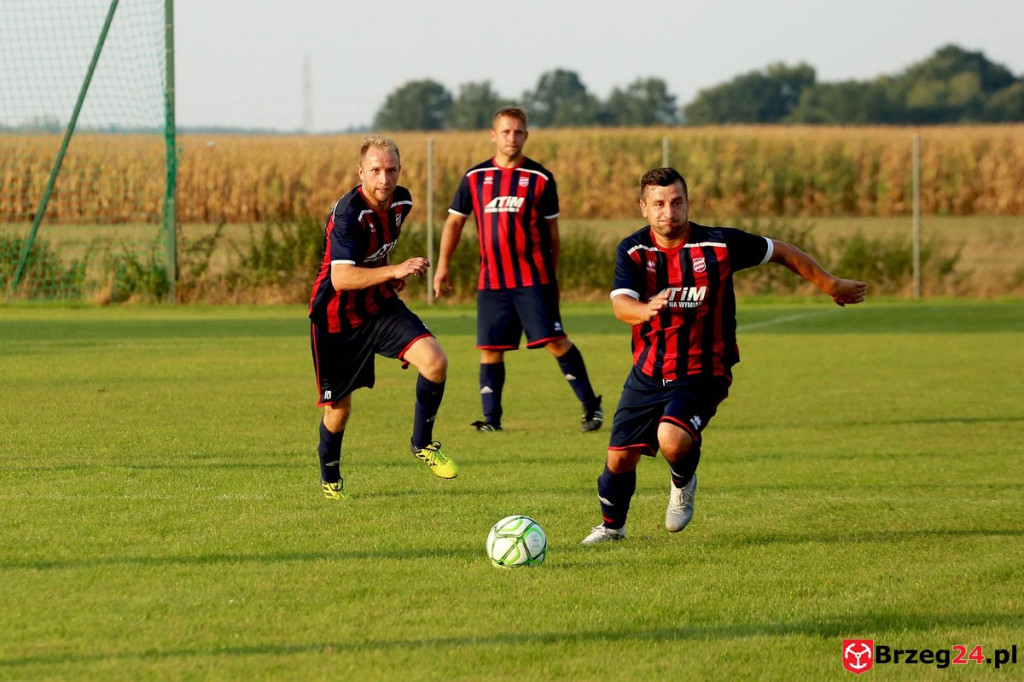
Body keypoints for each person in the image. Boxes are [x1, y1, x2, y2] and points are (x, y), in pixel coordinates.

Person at [581, 167, 867, 544]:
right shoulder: (634, 251)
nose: (669, 212)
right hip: (648, 370)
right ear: (643, 208)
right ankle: (612, 529)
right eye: (659, 204)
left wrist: (830, 283)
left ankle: (682, 482)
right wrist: (645, 310)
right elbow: (621, 305)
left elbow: (778, 250)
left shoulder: (718, 245)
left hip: (704, 369)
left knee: (671, 438)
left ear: (688, 203)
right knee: (619, 458)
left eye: (677, 202)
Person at [432, 106, 603, 433]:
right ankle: (492, 420)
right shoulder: (475, 178)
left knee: (555, 341)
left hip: (532, 279)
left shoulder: (540, 179)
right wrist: (443, 266)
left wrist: (552, 277)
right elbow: (455, 222)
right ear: (493, 135)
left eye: (519, 132)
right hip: (492, 282)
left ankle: (590, 405)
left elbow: (553, 234)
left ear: (526, 135)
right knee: (491, 349)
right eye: (506, 132)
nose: (512, 138)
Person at [308, 136, 457, 499]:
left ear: (399, 171)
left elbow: (376, 255)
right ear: (361, 172)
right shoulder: (348, 214)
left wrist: (393, 274)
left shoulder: (401, 202)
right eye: (375, 170)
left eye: (390, 170)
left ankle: (422, 443)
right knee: (339, 411)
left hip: (378, 306)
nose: (383, 179)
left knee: (435, 363)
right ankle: (331, 479)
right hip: (335, 320)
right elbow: (341, 278)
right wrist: (393, 272)